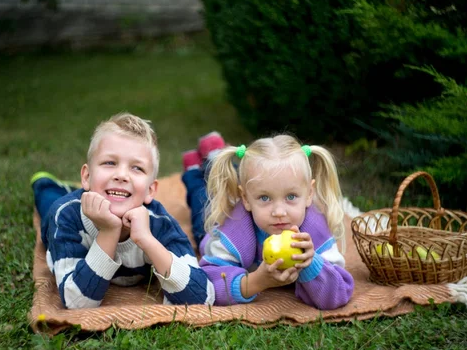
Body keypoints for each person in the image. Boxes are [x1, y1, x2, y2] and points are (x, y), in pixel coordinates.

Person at [31, 113, 215, 309]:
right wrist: (109, 231)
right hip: (63, 211)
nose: (121, 175)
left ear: (150, 190)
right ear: (86, 176)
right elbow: (77, 302)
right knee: (49, 200)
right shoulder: (65, 215)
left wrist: (147, 239)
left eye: (137, 168)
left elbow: (202, 296)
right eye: (110, 163)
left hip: (129, 218)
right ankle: (45, 184)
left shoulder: (159, 223)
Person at [181, 132, 354, 309]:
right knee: (201, 200)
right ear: (246, 199)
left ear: (310, 194)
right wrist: (256, 281)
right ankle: (194, 170)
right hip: (213, 228)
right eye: (265, 198)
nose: (279, 212)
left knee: (222, 185)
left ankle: (211, 157)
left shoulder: (316, 231)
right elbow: (208, 284)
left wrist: (311, 263)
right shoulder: (233, 230)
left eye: (291, 196)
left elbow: (339, 293)